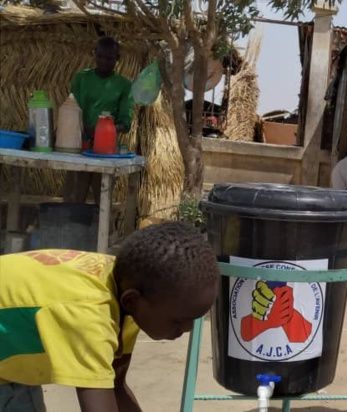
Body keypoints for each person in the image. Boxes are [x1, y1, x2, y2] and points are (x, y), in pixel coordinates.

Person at [0, 222, 219, 412]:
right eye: (178, 320)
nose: (188, 328)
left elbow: (115, 386)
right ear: (132, 300)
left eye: (195, 319)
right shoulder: (89, 314)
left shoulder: (128, 291)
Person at [63, 36, 134, 204]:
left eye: (109, 58)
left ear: (117, 59)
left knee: (102, 201)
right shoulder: (81, 78)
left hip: (106, 151)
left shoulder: (124, 85)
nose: (104, 61)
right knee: (73, 198)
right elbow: (73, 109)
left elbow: (126, 121)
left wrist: (106, 130)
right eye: (100, 56)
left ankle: (104, 230)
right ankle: (70, 228)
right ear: (94, 54)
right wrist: (82, 128)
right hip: (79, 145)